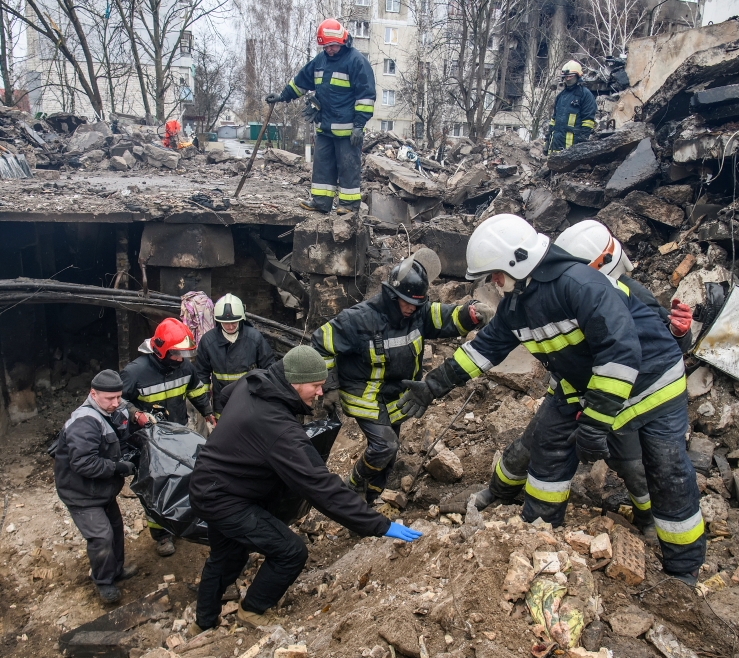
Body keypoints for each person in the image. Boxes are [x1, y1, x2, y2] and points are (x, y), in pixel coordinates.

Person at [397, 214, 705, 584]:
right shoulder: (518, 305)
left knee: (666, 471)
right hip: (588, 386)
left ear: (518, 259)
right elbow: (484, 350)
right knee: (548, 449)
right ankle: (538, 537)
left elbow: (619, 353)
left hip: (653, 385)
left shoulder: (579, 285)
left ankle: (683, 574)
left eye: (494, 273)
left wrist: (594, 423)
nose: (494, 283)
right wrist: (433, 385)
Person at [468, 220, 696, 536]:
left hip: (619, 396)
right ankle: (499, 492)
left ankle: (649, 521)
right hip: (571, 390)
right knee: (531, 445)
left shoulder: (628, 290)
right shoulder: (562, 289)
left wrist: (680, 332)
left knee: (634, 466)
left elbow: (659, 343)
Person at [187, 346, 421, 634]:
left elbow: (225, 394)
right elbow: (320, 486)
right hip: (223, 498)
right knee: (290, 552)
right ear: (295, 381)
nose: (320, 393)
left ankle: (202, 625)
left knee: (226, 557)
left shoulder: (256, 380)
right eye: (316, 385)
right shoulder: (279, 429)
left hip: (207, 482)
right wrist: (377, 525)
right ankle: (252, 610)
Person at [311, 253, 494, 505]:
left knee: (391, 451)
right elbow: (321, 342)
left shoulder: (419, 312)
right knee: (385, 446)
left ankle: (373, 497)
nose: (411, 308)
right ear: (391, 295)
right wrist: (329, 386)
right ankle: (352, 485)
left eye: (416, 304)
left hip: (396, 394)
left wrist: (471, 314)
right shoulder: (358, 319)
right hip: (364, 396)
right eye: (406, 302)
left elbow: (446, 317)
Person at [53, 370, 152, 603]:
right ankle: (103, 581)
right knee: (102, 537)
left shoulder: (109, 409)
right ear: (93, 394)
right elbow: (83, 463)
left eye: (118, 397)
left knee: (116, 531)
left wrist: (137, 414)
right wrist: (118, 468)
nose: (115, 403)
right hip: (81, 494)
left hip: (102, 491)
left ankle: (116, 571)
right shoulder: (84, 423)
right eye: (110, 399)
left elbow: (124, 408)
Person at [121, 317, 214, 557]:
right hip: (149, 442)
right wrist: (135, 413)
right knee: (155, 488)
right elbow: (118, 401)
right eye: (175, 354)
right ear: (161, 351)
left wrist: (207, 412)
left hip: (178, 435)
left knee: (181, 480)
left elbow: (195, 390)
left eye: (182, 354)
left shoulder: (184, 367)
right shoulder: (134, 372)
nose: (180, 359)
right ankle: (161, 535)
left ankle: (181, 521)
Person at [265, 18, 375, 214]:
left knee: (348, 167)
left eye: (332, 46)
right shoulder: (320, 60)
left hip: (348, 129)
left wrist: (359, 125)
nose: (329, 50)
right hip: (325, 126)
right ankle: (321, 202)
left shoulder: (356, 61)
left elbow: (365, 96)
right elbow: (301, 81)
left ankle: (349, 205)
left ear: (342, 41)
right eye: (325, 46)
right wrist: (283, 96)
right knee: (322, 165)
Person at [195, 293, 276, 419]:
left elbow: (269, 368)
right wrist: (205, 408)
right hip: (221, 403)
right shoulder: (208, 342)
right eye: (226, 323)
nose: (231, 326)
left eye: (234, 322)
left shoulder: (254, 338)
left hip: (249, 399)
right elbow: (201, 375)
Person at [546, 60, 597, 154]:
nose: (568, 79)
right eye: (566, 76)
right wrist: (548, 141)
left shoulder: (585, 95)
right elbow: (554, 120)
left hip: (572, 146)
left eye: (570, 76)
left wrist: (581, 142)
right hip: (556, 144)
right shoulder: (561, 96)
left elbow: (588, 122)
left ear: (577, 76)